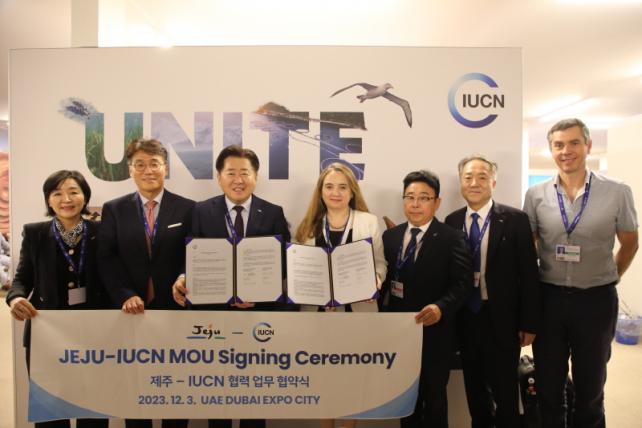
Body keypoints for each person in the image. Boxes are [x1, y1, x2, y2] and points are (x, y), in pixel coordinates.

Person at [523, 118, 639, 428]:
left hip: (596, 302)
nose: (566, 151)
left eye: (574, 143)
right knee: (548, 386)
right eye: (558, 145)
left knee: (590, 388)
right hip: (549, 301)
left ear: (588, 145)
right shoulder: (535, 195)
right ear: (551, 150)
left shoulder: (617, 191)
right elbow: (530, 244)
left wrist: (610, 275)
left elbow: (630, 242)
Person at [173, 144, 290, 428]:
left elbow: (283, 263)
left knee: (255, 393)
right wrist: (183, 277)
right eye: (231, 173)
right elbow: (191, 257)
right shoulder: (201, 211)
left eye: (245, 173)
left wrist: (259, 296)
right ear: (219, 177)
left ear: (256, 177)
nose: (238, 180)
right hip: (213, 318)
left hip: (257, 318)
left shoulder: (273, 212)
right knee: (218, 393)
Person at [97, 138, 194, 428]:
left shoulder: (188, 208)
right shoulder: (114, 209)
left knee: (175, 387)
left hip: (175, 310)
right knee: (136, 387)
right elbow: (106, 257)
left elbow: (195, 252)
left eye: (154, 164)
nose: (147, 170)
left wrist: (184, 276)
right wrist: (124, 294)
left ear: (166, 168)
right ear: (130, 170)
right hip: (131, 312)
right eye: (140, 164)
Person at [6, 170, 108, 428]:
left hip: (94, 334)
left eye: (74, 192)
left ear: (85, 197)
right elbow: (22, 279)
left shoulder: (102, 231)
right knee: (50, 412)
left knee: (93, 409)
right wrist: (15, 298)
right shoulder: (35, 233)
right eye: (57, 193)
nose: (67, 199)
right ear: (48, 200)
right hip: (47, 336)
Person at [444, 155, 540, 428]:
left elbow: (529, 274)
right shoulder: (452, 221)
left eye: (482, 177)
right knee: (475, 392)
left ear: (493, 182)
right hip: (466, 319)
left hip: (502, 320)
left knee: (506, 392)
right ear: (461, 183)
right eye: (468, 177)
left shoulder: (515, 220)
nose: (474, 183)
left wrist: (529, 322)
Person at [294, 162, 387, 428]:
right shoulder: (308, 225)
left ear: (352, 191)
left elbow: (380, 263)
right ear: (321, 191)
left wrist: (376, 280)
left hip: (357, 315)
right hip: (318, 319)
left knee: (352, 379)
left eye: (343, 187)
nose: (335, 192)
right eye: (329, 186)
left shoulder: (368, 221)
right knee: (324, 381)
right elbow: (297, 270)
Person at [380, 170, 472, 428]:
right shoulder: (391, 236)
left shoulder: (452, 237)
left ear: (437, 202)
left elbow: (463, 284)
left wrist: (441, 308)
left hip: (435, 333)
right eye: (410, 197)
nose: (415, 204)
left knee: (434, 400)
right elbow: (385, 281)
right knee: (406, 401)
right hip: (400, 333)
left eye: (424, 198)